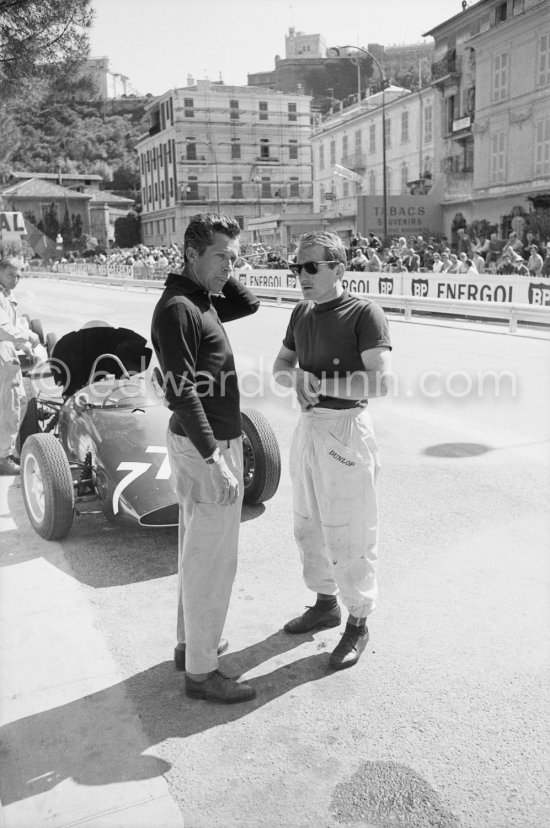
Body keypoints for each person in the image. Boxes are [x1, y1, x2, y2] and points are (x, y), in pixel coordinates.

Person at [151, 213, 260, 704]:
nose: (229, 268)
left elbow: (249, 303)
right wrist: (215, 457)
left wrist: (220, 267)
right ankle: (202, 672)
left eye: (234, 259)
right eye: (221, 257)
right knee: (212, 561)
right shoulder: (179, 308)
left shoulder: (199, 298)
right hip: (206, 444)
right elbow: (181, 392)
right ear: (190, 254)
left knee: (196, 551)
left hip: (205, 441)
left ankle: (188, 647)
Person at [272, 231, 392, 670]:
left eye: (310, 267)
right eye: (296, 267)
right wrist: (297, 377)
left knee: (350, 528)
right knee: (308, 522)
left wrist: (317, 384)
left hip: (346, 427)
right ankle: (325, 603)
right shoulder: (301, 312)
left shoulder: (364, 312)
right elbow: (280, 367)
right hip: (309, 427)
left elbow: (379, 381)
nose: (300, 275)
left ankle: (358, 622)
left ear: (338, 269)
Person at [0, 258, 40, 475]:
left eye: (19, 276)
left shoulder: (6, 293)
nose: (15, 280)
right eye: (11, 275)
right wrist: (29, 336)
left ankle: (9, 449)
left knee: (20, 400)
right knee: (11, 405)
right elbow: (3, 328)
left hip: (7, 351)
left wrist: (24, 345)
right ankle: (3, 459)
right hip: (2, 356)